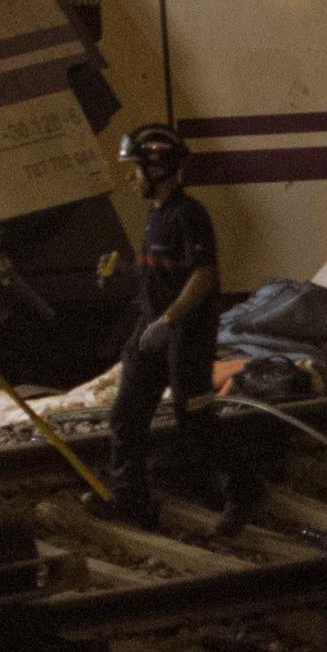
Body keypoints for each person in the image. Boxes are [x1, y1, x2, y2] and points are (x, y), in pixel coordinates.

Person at [100, 122, 251, 531]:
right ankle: (129, 500)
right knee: (127, 416)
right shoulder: (155, 217)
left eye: (136, 168)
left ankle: (241, 494)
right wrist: (123, 281)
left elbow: (203, 275)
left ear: (158, 168)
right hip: (151, 328)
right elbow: (162, 274)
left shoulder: (189, 215)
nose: (132, 177)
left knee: (195, 418)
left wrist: (169, 321)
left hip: (185, 333)